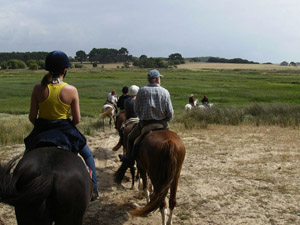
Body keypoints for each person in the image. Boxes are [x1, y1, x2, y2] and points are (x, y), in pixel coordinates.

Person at [24, 50, 99, 201]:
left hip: (42, 130)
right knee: (87, 154)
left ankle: (15, 183)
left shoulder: (37, 88)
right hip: (65, 129)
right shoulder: (71, 90)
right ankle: (95, 188)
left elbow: (32, 117)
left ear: (47, 68)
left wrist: (43, 125)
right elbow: (77, 119)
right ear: (65, 69)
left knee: (26, 156)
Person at [120, 69, 173, 166]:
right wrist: (167, 119)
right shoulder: (165, 92)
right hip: (162, 124)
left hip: (145, 124)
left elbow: (136, 109)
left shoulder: (141, 91)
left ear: (149, 79)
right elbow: (170, 113)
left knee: (130, 138)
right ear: (157, 79)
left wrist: (142, 115)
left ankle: (129, 159)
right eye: (159, 78)